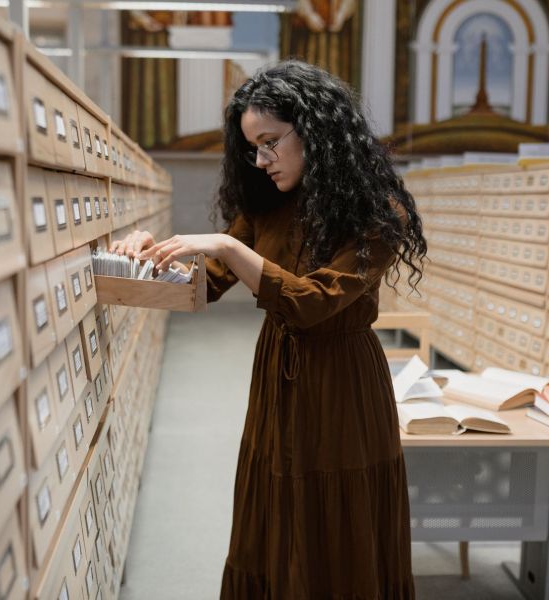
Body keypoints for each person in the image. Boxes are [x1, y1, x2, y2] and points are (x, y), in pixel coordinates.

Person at [111, 60, 425, 599]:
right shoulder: (265, 207)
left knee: (336, 514)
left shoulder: (378, 214)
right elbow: (204, 284)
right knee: (275, 508)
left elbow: (312, 303)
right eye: (252, 147)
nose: (260, 160)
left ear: (316, 130)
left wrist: (229, 246)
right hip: (278, 380)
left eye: (271, 142)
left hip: (343, 386)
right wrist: (144, 253)